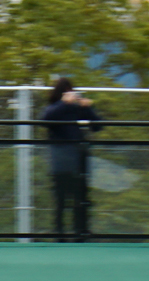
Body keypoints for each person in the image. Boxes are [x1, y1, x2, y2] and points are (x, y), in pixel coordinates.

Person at [40, 76, 103, 240]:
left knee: (81, 199)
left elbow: (97, 126)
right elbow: (45, 120)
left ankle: (81, 232)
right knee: (61, 200)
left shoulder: (77, 109)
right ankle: (59, 233)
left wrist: (88, 108)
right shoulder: (55, 108)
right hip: (60, 161)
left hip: (79, 160)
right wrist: (63, 104)